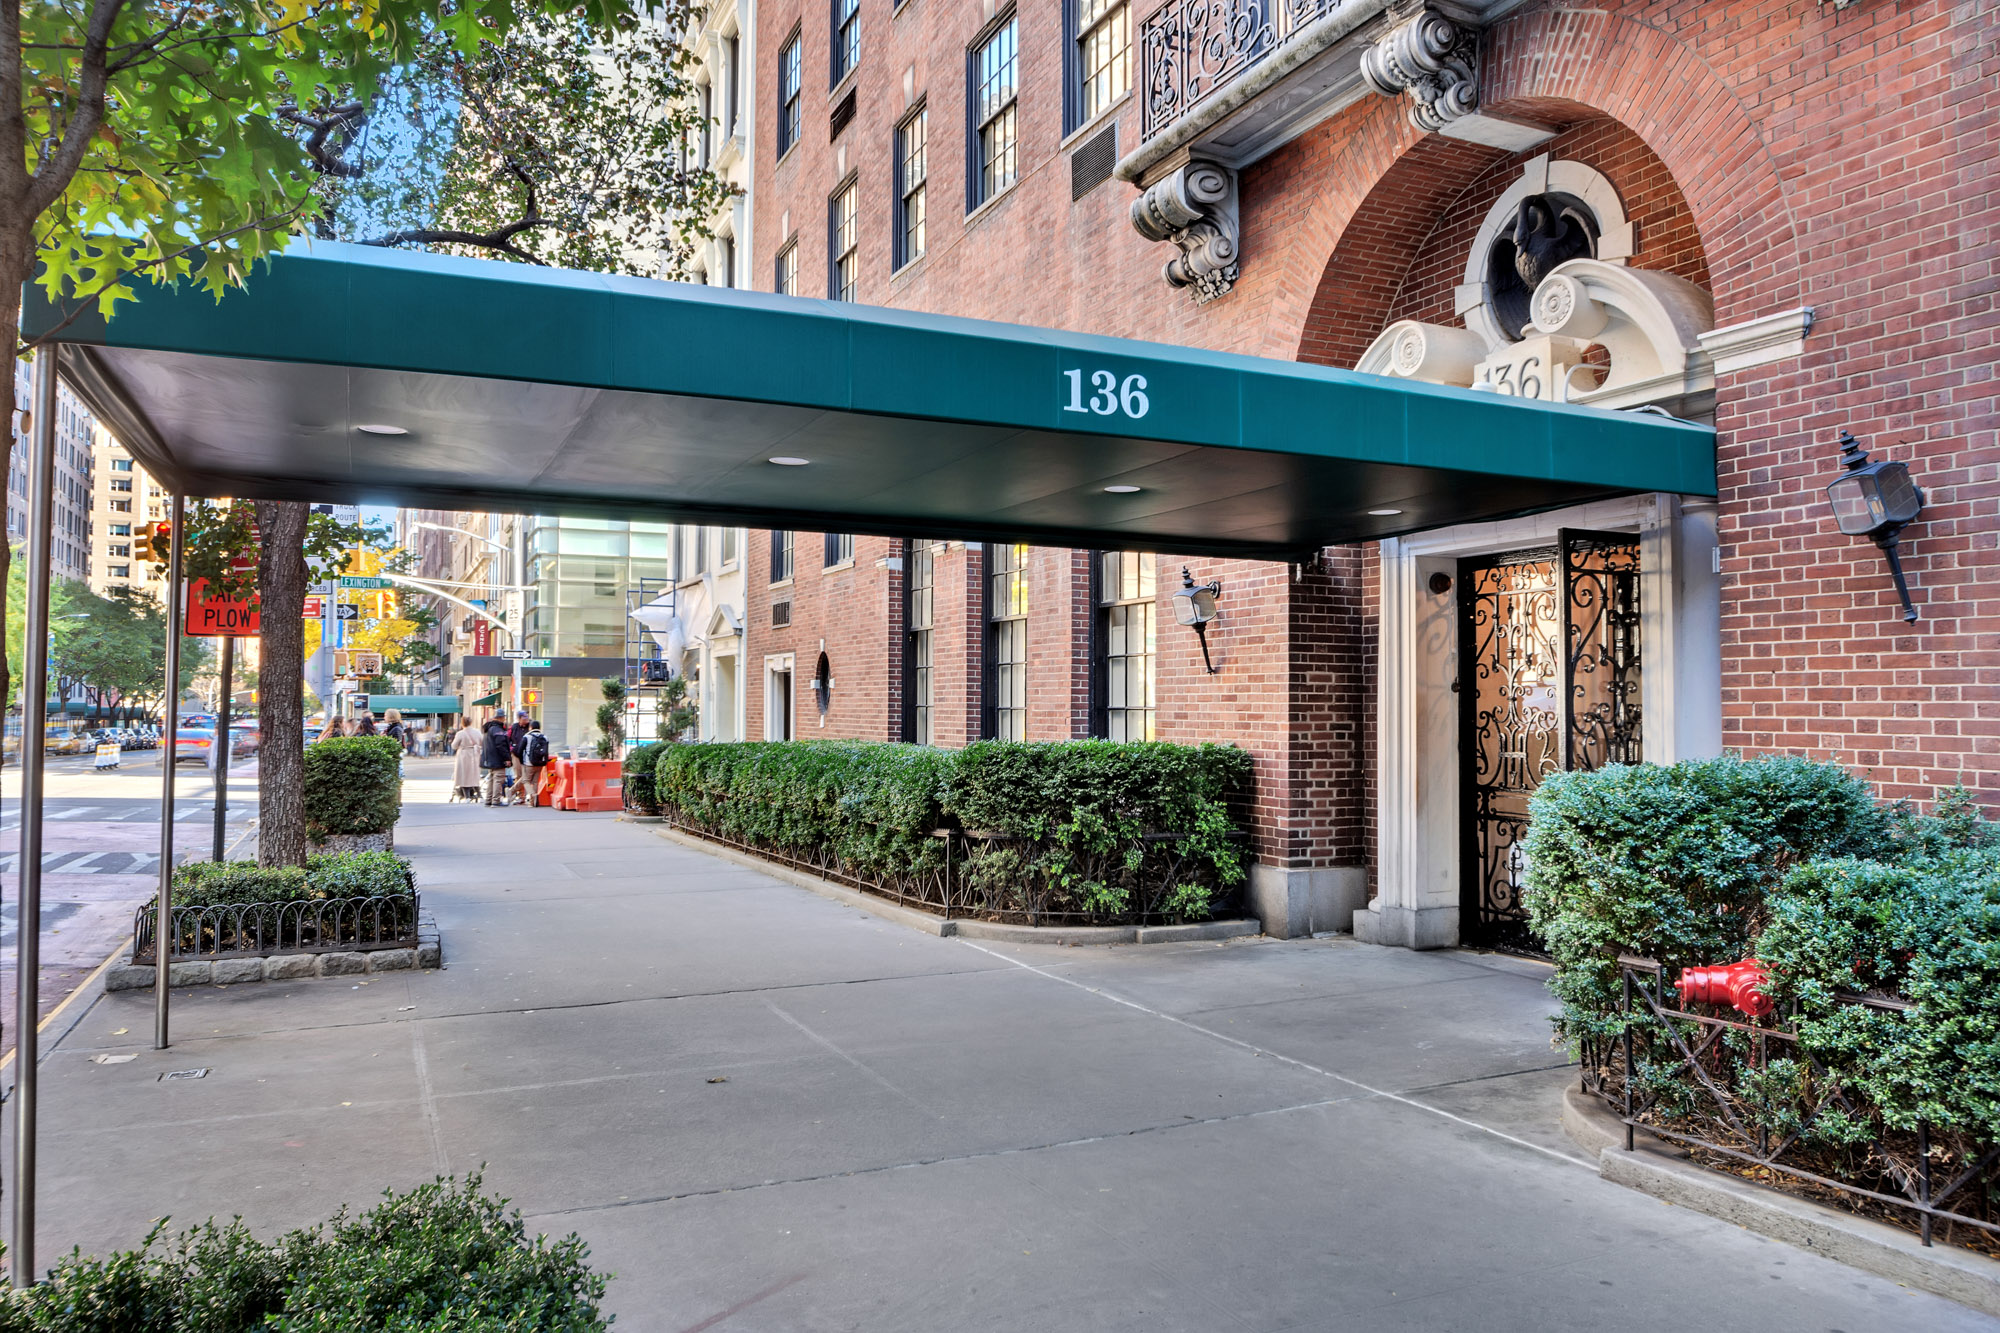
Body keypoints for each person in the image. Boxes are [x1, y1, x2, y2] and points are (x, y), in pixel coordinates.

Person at [479, 716, 513, 806]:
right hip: (497, 758)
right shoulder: (498, 730)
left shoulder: (488, 728)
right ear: (500, 718)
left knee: (491, 779)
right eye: (504, 718)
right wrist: (507, 758)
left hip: (489, 758)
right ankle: (496, 800)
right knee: (498, 779)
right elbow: (501, 745)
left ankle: (488, 799)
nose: (505, 719)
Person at [450, 714, 482, 802]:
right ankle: (479, 795)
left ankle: (467, 796)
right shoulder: (477, 732)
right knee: (474, 775)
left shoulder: (460, 733)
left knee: (464, 775)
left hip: (463, 755)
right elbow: (481, 742)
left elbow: (454, 746)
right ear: (471, 722)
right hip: (475, 755)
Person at [517, 720, 550, 807]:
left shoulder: (527, 737)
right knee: (535, 782)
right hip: (540, 764)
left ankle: (533, 795)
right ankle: (532, 803)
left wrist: (522, 761)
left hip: (529, 763)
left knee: (526, 781)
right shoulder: (545, 737)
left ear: (530, 727)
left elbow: (519, 751)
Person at [508, 709, 532, 802]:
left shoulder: (530, 727)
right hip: (516, 755)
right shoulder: (514, 727)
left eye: (527, 716)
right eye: (524, 717)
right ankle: (520, 795)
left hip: (527, 755)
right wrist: (511, 749)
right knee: (518, 775)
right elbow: (507, 739)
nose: (526, 719)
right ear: (519, 718)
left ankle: (524, 795)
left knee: (526, 776)